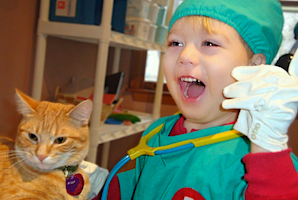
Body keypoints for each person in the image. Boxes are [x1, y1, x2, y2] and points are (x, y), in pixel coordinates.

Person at [101, 0, 298, 199]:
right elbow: (138, 186)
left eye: (209, 43)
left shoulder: (265, 160)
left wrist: (267, 151)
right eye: (175, 43)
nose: (185, 56)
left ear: (254, 67)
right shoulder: (158, 133)